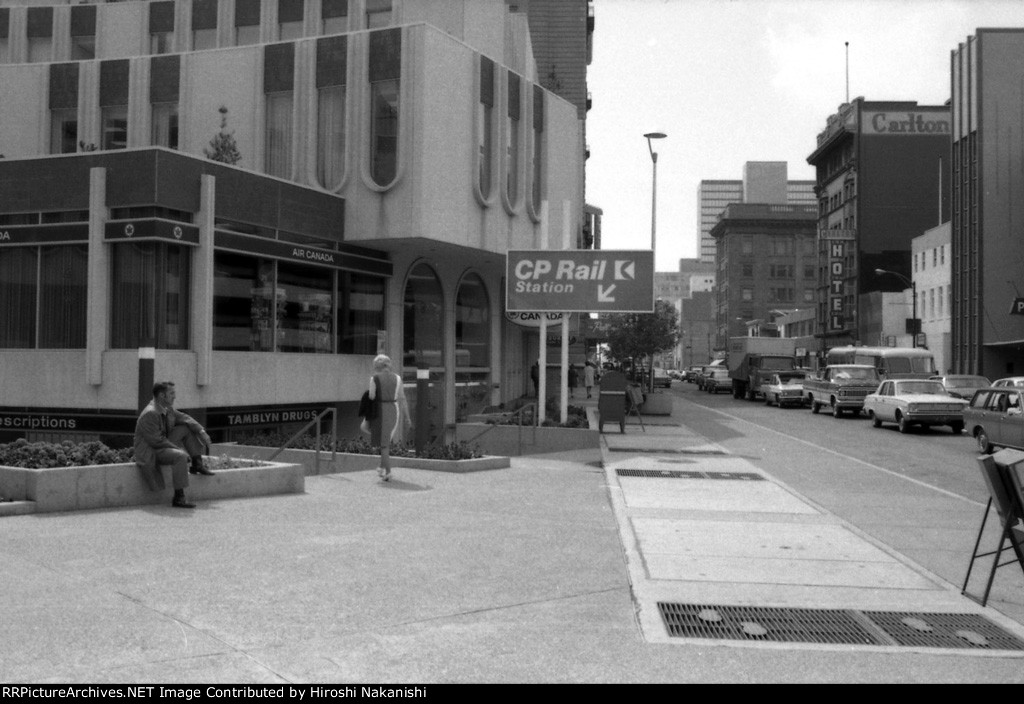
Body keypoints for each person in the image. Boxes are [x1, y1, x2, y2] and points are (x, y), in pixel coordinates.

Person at [134, 381, 213, 509]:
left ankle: (197, 464)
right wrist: (179, 450)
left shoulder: (167, 409)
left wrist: (201, 431)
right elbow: (156, 441)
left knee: (185, 427)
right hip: (152, 450)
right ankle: (179, 498)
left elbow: (185, 418)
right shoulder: (150, 413)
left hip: (163, 444)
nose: (174, 396)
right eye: (171, 393)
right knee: (180, 456)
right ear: (161, 395)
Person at [369, 354, 410, 482]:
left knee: (384, 445)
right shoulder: (397, 378)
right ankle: (382, 467)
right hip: (393, 409)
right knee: (385, 441)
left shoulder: (374, 378)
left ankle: (388, 472)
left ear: (377, 366)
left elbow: (371, 396)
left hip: (379, 410)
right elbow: (402, 398)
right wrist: (407, 417)